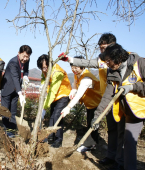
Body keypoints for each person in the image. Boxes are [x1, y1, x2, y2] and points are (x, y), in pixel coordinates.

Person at [58, 33, 124, 167]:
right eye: (101, 49)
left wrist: (69, 107)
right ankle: (111, 157)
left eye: (105, 48)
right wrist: (69, 59)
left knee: (121, 131)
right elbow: (87, 62)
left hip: (120, 98)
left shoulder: (122, 58)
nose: (103, 52)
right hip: (107, 98)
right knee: (111, 130)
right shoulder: (101, 60)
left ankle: (120, 160)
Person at [91, 43, 145, 170]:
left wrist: (133, 87)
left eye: (108, 61)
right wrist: (97, 117)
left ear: (118, 58)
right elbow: (107, 97)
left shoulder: (140, 63)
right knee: (128, 141)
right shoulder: (112, 72)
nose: (107, 64)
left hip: (142, 106)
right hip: (131, 113)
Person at [61, 56, 102, 152]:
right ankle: (93, 143)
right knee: (90, 122)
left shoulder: (87, 78)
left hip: (97, 103)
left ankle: (90, 144)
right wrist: (72, 91)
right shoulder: (77, 74)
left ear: (83, 66)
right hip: (90, 103)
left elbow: (79, 94)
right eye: (72, 67)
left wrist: (69, 107)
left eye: (76, 68)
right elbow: (75, 85)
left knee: (92, 123)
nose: (74, 70)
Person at [37, 54, 71, 148]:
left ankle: (58, 140)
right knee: (52, 116)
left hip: (63, 94)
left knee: (57, 116)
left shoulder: (57, 72)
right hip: (55, 96)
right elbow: (44, 78)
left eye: (45, 67)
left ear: (50, 64)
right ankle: (50, 136)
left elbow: (52, 91)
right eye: (42, 68)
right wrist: (42, 85)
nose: (44, 70)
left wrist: (44, 108)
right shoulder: (45, 70)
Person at [1, 45, 32, 135]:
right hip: (7, 88)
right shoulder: (13, 62)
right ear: (19, 53)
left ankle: (13, 130)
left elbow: (25, 70)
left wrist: (26, 76)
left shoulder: (27, 60)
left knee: (13, 111)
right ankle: (7, 131)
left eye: (27, 56)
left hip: (16, 90)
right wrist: (20, 94)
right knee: (6, 111)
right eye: (24, 56)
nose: (25, 58)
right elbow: (15, 77)